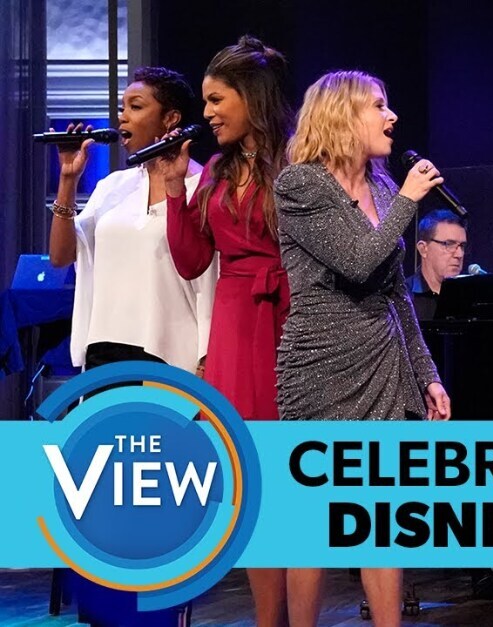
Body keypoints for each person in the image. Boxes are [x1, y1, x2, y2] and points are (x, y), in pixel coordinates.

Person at [275, 70, 451, 627]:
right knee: (312, 523)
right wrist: (409, 200)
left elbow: (396, 292)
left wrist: (428, 374)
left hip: (383, 362)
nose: (391, 115)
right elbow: (357, 260)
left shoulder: (383, 189)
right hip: (321, 366)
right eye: (378, 105)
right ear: (341, 116)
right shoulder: (301, 185)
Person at [45, 65, 214, 627]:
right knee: (105, 499)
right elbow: (62, 257)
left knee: (158, 500)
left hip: (168, 356)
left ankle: (160, 614)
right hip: (104, 356)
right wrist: (68, 180)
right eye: (122, 106)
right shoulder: (112, 186)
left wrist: (207, 359)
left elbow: (208, 281)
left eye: (136, 106)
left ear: (171, 119)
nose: (122, 116)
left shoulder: (200, 186)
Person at [161, 35, 295, 627]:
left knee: (291, 478)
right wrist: (174, 188)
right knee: (251, 483)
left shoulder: (298, 161)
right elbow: (192, 260)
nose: (208, 112)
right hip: (237, 327)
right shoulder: (216, 169)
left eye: (218, 99)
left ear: (252, 96)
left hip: (291, 319)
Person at [406, 208, 467, 319]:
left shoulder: (469, 296)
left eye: (462, 246)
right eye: (449, 244)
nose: (459, 254)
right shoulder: (403, 297)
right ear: (423, 249)